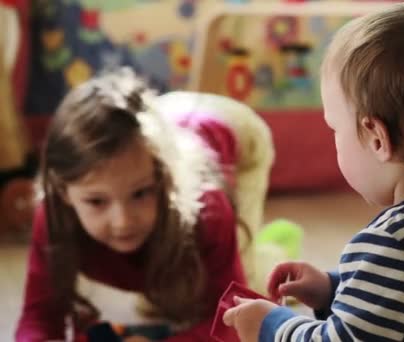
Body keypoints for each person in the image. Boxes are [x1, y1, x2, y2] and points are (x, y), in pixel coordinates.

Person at [223, 1, 404, 341]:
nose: (334, 141)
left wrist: (272, 326)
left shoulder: (394, 244)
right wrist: (332, 287)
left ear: (378, 139)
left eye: (335, 129)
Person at [15, 68, 274, 341]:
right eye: (96, 201)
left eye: (140, 194)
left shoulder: (207, 208)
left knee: (243, 283)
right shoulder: (55, 215)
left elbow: (234, 321)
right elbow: (39, 314)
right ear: (64, 192)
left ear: (164, 180)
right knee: (164, 290)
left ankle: (270, 253)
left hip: (236, 129)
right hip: (163, 120)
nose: (123, 221)